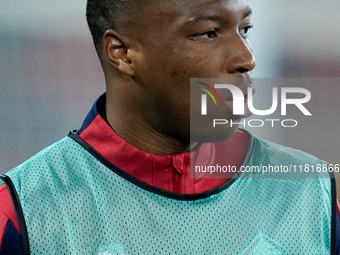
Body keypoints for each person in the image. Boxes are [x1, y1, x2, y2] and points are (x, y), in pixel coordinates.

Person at [0, 0, 339, 254]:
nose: (246, 58)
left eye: (245, 30)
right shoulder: (23, 208)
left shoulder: (310, 190)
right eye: (207, 33)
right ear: (123, 53)